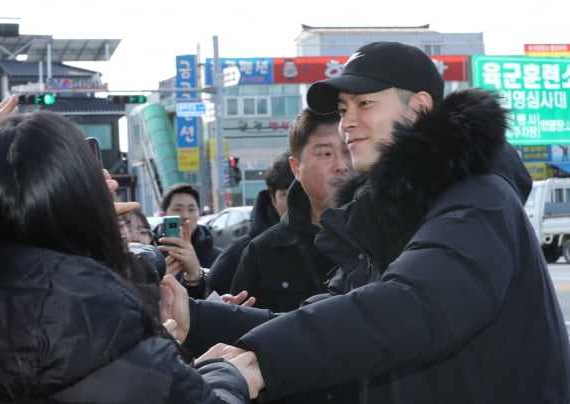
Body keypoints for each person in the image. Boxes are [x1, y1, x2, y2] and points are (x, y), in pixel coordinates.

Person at [164, 41, 570, 403]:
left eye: (365, 104)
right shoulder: (389, 215)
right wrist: (198, 318)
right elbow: (335, 313)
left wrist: (264, 359)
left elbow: (414, 306)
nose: (348, 123)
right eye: (343, 109)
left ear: (421, 107)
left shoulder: (479, 199)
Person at [0, 110, 261, 402]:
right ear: (83, 198)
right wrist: (228, 377)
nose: (109, 186)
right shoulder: (93, 310)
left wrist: (172, 360)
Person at [230, 108, 352, 312]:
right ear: (296, 168)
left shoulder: (388, 236)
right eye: (326, 154)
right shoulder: (263, 252)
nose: (341, 165)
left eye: (348, 151)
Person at [208, 150, 295, 295]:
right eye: (286, 195)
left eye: (303, 193)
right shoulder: (244, 251)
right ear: (273, 199)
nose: (295, 202)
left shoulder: (334, 241)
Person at [156, 183, 223, 298]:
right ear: (164, 215)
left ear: (198, 214)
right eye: (177, 209)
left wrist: (196, 277)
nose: (185, 215)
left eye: (191, 209)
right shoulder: (151, 255)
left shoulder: (217, 257)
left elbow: (220, 304)